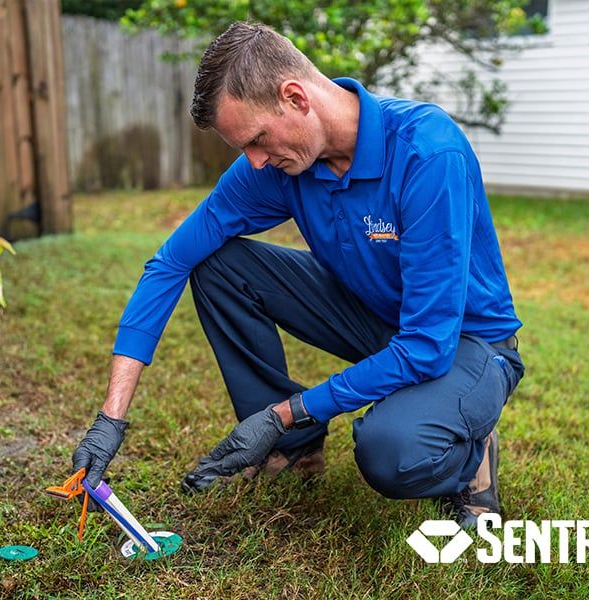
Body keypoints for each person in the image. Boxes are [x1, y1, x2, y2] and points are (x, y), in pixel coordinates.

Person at [72, 21, 524, 528]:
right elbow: (172, 261)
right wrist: (111, 418)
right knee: (218, 264)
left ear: (295, 97)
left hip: (464, 342)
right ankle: (293, 451)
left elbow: (427, 344)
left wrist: (285, 410)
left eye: (258, 139)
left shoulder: (426, 152)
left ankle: (469, 455)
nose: (256, 161)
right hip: (377, 317)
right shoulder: (281, 167)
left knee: (391, 452)